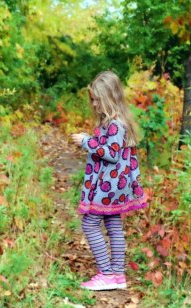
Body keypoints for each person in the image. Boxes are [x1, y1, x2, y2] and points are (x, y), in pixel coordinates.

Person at [70, 71, 149, 291]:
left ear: (109, 98)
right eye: (92, 99)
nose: (94, 104)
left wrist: (87, 141)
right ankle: (118, 276)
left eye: (97, 99)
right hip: (115, 184)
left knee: (89, 223)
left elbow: (111, 153)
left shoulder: (116, 125)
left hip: (108, 185)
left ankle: (106, 273)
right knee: (113, 225)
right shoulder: (114, 123)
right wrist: (93, 139)